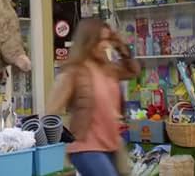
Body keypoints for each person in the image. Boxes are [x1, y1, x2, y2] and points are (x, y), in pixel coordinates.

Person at [46, 18, 140, 176]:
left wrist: (121, 46)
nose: (106, 45)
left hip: (112, 145)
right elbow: (51, 110)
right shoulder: (74, 71)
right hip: (86, 147)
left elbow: (133, 71)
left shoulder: (109, 68)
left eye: (108, 40)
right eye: (101, 40)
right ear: (88, 41)